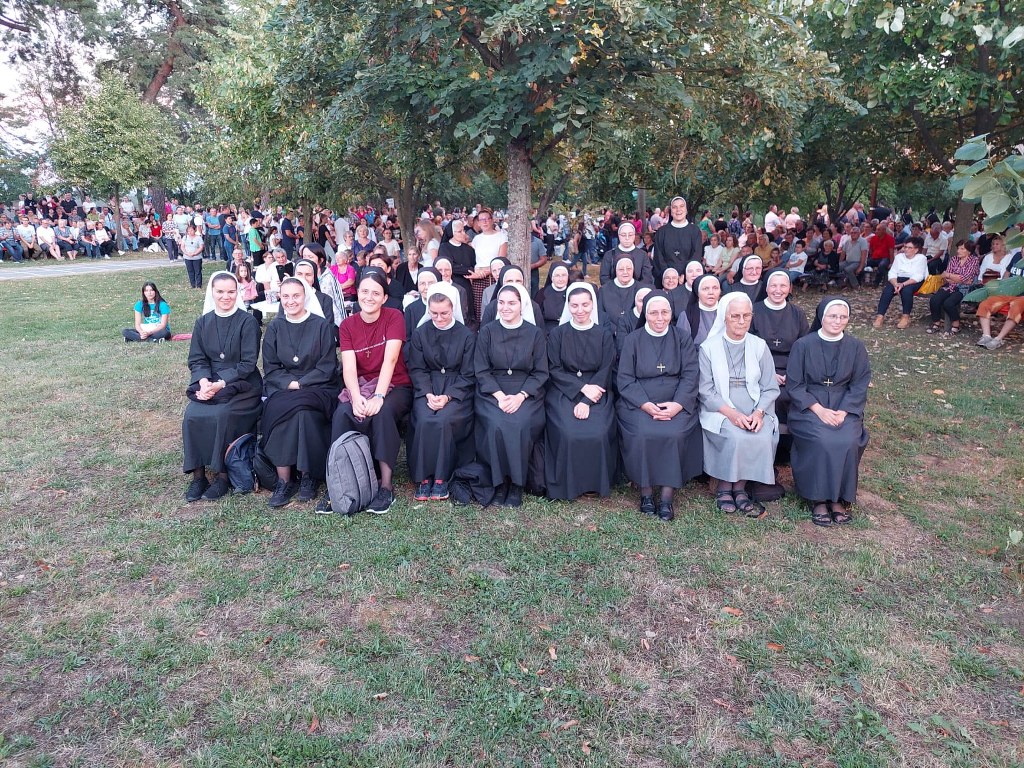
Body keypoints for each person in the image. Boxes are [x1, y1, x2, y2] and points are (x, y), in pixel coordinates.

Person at [328, 271, 414, 515]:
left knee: (383, 412)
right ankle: (340, 480)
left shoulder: (394, 317)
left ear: (385, 298)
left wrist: (378, 396)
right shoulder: (347, 325)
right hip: (361, 384)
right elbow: (349, 367)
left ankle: (385, 485)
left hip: (395, 384)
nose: (369, 297)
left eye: (376, 293)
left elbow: (391, 360)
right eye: (364, 291)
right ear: (357, 293)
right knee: (344, 412)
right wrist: (356, 398)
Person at [787, 298, 871, 527]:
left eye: (843, 317)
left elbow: (860, 384)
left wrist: (843, 411)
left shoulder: (856, 347)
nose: (838, 321)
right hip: (809, 407)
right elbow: (794, 385)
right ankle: (818, 499)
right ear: (822, 316)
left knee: (847, 439)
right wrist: (819, 410)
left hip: (845, 405)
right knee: (822, 438)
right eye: (833, 316)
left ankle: (839, 498)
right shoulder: (803, 345)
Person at [181, 272, 263, 502]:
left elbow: (248, 363)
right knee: (192, 414)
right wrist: (205, 381)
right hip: (210, 381)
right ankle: (198, 476)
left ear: (237, 293)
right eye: (220, 292)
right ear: (212, 293)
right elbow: (197, 359)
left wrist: (221, 383)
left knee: (223, 414)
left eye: (230, 291)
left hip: (242, 383)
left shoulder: (248, 321)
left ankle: (223, 477)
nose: (225, 297)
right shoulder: (203, 322)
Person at [260, 277, 340, 507]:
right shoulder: (275, 327)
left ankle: (308, 476)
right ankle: (284, 480)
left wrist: (302, 383)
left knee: (304, 414)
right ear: (280, 298)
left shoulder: (321, 325)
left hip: (318, 387)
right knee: (282, 414)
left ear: (305, 296)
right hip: (284, 388)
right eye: (286, 296)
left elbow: (327, 366)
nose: (291, 301)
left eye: (296, 295)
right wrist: (291, 384)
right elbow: (271, 367)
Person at [698, 293, 780, 517]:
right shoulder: (708, 348)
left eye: (746, 316)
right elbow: (705, 390)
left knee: (760, 434)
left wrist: (759, 413)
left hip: (755, 406)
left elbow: (770, 387)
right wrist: (732, 415)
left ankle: (740, 487)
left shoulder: (759, 346)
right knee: (735, 436)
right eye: (735, 316)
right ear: (724, 317)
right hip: (721, 407)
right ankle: (725, 486)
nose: (741, 321)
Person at [473, 283, 549, 506]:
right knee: (497, 423)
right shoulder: (487, 331)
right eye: (502, 303)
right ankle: (499, 483)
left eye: (511, 303)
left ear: (521, 306)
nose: (505, 307)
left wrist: (520, 396)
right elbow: (481, 369)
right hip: (493, 390)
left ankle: (516, 484)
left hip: (526, 391)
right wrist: (499, 396)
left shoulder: (534, 333)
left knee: (519, 423)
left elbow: (541, 372)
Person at [544, 283, 618, 500]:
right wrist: (580, 388)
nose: (580, 310)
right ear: (568, 306)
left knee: (598, 431)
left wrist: (586, 400)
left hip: (598, 389)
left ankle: (595, 483)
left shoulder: (604, 334)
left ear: (592, 305)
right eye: (574, 305)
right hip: (563, 390)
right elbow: (553, 368)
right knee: (568, 431)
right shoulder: (557, 334)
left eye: (585, 305)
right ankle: (570, 483)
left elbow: (606, 368)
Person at [406, 283, 477, 501]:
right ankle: (423, 476)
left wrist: (448, 396)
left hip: (457, 389)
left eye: (444, 313)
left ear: (453, 308)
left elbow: (468, 373)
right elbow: (417, 368)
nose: (438, 318)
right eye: (434, 313)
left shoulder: (466, 335)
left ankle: (441, 477)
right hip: (427, 387)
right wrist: (428, 393)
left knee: (444, 419)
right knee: (426, 418)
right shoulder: (420, 333)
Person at [751, 270, 809, 452]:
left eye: (783, 285)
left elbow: (804, 347)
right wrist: (769, 374)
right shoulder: (754, 310)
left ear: (790, 288)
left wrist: (790, 373)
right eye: (773, 285)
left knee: (795, 395)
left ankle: (789, 448)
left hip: (792, 369)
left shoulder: (797, 313)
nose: (778, 290)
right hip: (759, 369)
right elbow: (747, 348)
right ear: (766, 288)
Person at [872, 236, 927, 329]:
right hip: (898, 279)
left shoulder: (921, 258)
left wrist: (903, 284)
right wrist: (895, 283)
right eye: (905, 247)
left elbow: (918, 276)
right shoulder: (898, 257)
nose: (906, 249)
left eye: (910, 248)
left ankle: (905, 317)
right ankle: (880, 316)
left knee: (906, 291)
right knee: (887, 290)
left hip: (913, 280)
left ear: (916, 250)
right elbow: (892, 272)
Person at [927, 240, 980, 336]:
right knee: (934, 300)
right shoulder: (954, 259)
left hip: (964, 288)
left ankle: (956, 325)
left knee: (949, 303)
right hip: (950, 286)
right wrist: (955, 277)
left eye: (962, 248)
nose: (958, 251)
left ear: (969, 251)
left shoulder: (974, 260)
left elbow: (965, 278)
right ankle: (936, 323)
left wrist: (950, 276)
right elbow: (945, 276)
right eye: (958, 248)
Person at [652, 196, 702, 283]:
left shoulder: (695, 231)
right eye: (675, 207)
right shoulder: (662, 232)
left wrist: (685, 274)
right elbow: (658, 257)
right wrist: (669, 275)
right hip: (666, 279)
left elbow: (696, 255)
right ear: (671, 212)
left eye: (682, 206)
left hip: (688, 278)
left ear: (686, 210)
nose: (678, 210)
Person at [599, 256, 647, 325]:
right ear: (616, 271)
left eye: (629, 269)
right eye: (621, 269)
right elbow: (601, 316)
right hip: (610, 333)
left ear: (633, 270)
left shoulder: (642, 289)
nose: (625, 272)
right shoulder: (604, 290)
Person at [678, 273, 721, 346]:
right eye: (705, 289)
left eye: (715, 288)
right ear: (697, 292)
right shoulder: (687, 316)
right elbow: (683, 347)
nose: (711, 292)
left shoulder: (728, 313)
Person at [535, 261, 572, 332]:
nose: (561, 279)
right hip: (547, 331)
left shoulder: (573, 293)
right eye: (557, 275)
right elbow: (538, 318)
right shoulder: (542, 293)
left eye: (564, 275)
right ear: (552, 277)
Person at [181, 224, 205, 289]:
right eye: (188, 231)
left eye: (191, 230)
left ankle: (199, 285)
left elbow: (201, 247)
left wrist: (194, 253)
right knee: (190, 271)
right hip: (187, 257)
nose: (190, 232)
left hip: (197, 257)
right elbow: (182, 246)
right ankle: (193, 285)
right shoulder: (185, 237)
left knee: (198, 271)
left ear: (195, 230)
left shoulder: (198, 238)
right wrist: (186, 253)